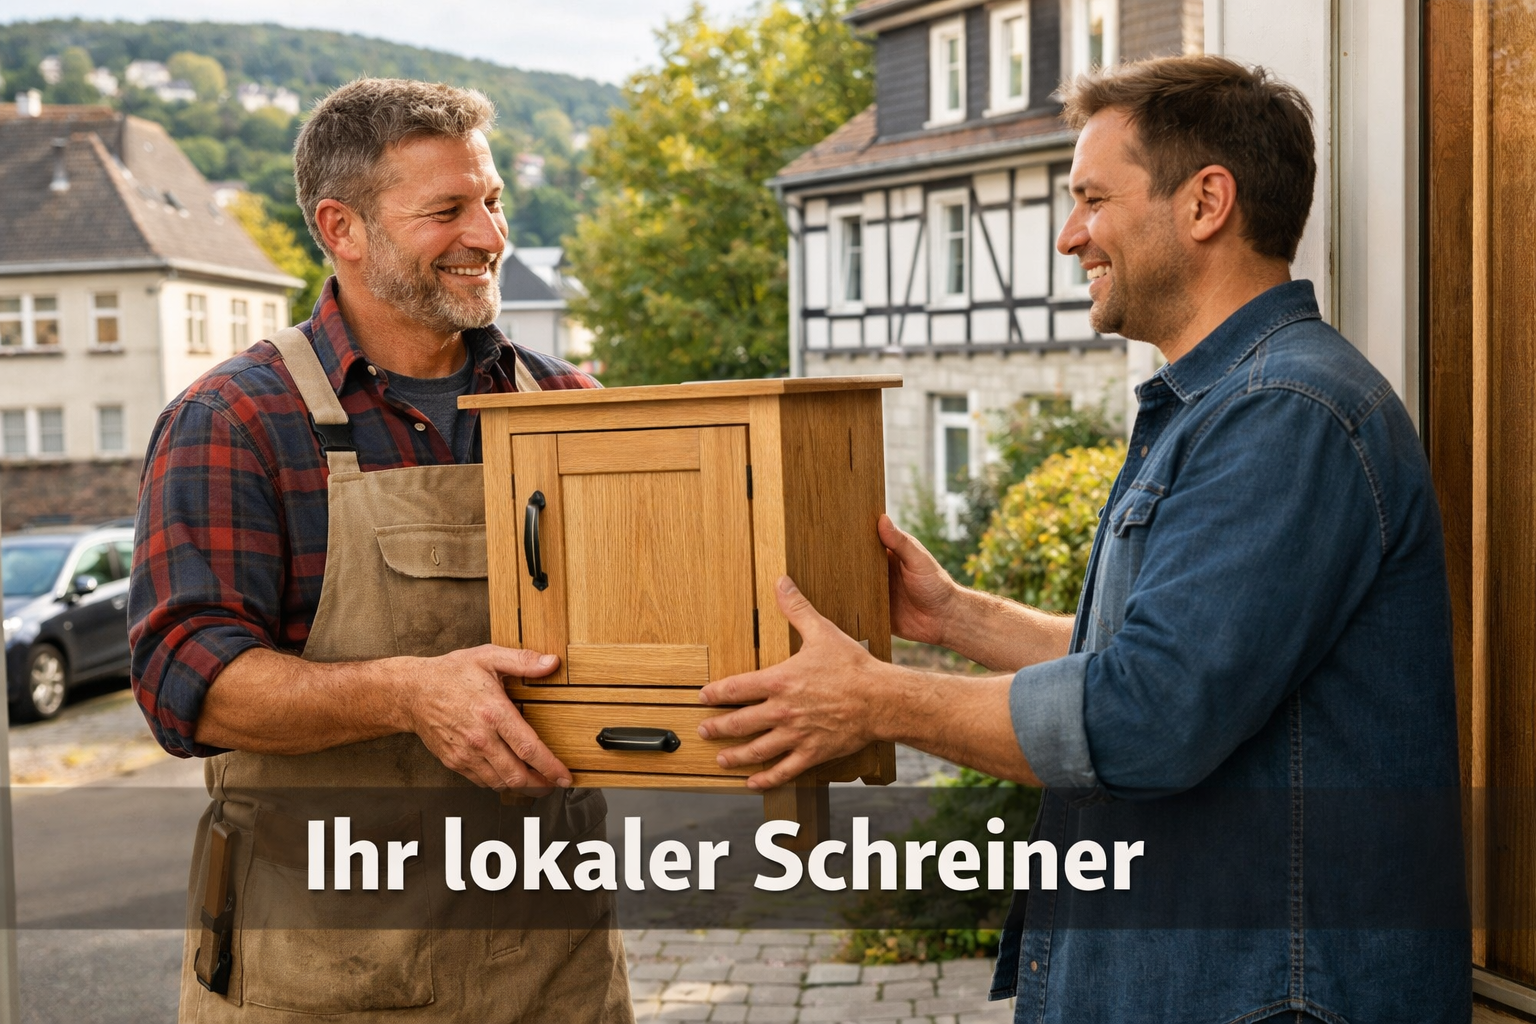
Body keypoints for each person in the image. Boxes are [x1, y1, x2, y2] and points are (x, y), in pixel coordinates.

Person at [696, 56, 1470, 1023]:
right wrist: (953, 617)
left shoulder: (1287, 412)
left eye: (1093, 199)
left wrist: (875, 701)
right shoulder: (1229, 404)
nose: (1071, 237)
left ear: (1206, 203)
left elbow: (1147, 714)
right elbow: (1155, 662)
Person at [129, 78, 632, 1022]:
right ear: (343, 228)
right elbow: (182, 676)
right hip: (325, 966)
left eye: (491, 202)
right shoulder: (236, 419)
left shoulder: (567, 407)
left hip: (550, 968)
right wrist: (408, 693)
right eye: (447, 211)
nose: (488, 236)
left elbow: (647, 633)